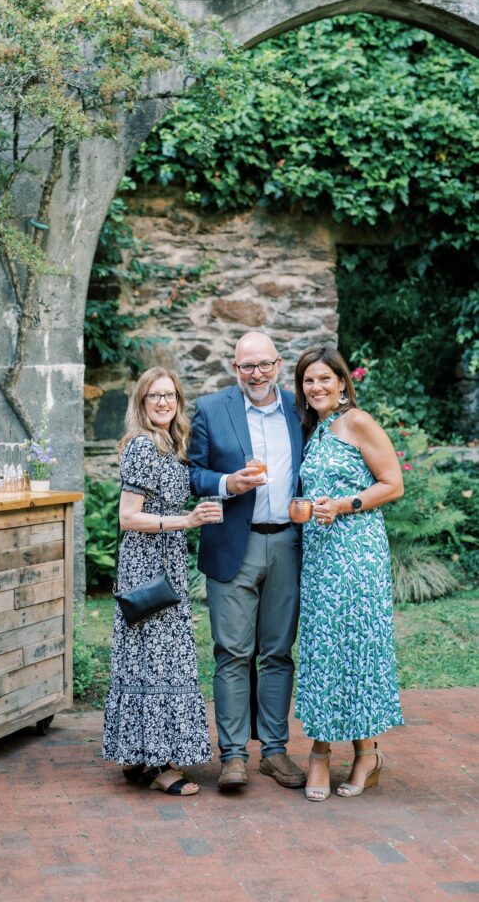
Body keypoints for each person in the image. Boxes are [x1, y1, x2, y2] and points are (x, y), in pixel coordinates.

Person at [189, 332, 307, 792]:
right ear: (234, 368)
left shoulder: (301, 411)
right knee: (232, 652)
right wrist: (225, 483)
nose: (255, 374)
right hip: (233, 544)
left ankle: (275, 753)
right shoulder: (212, 409)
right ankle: (233, 756)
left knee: (278, 652)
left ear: (278, 363)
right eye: (246, 367)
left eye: (263, 365)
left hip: (288, 545)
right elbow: (193, 471)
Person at [294, 345, 404, 801]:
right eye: (308, 381)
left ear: (342, 382)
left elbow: (393, 483)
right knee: (323, 650)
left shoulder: (357, 422)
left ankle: (332, 755)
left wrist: (346, 504)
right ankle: (359, 752)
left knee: (354, 648)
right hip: (319, 556)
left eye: (324, 379)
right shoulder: (315, 430)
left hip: (357, 554)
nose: (316, 387)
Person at [103, 366, 220, 796]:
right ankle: (161, 765)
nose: (163, 403)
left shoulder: (171, 444)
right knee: (157, 659)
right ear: (141, 402)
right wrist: (185, 520)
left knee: (152, 657)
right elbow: (128, 517)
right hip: (146, 564)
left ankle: (137, 755)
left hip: (166, 559)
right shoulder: (141, 447)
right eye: (154, 396)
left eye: (169, 395)